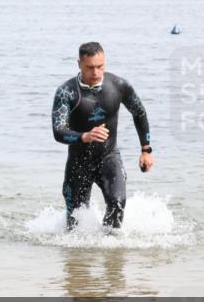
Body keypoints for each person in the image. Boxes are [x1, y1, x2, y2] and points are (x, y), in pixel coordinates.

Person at [52, 42, 153, 230]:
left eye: (100, 66)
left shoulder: (119, 85)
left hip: (108, 157)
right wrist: (84, 136)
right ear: (79, 64)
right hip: (78, 162)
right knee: (75, 224)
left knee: (117, 204)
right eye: (90, 67)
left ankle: (112, 253)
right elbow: (58, 131)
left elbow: (139, 113)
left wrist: (146, 149)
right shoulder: (66, 92)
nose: (96, 73)